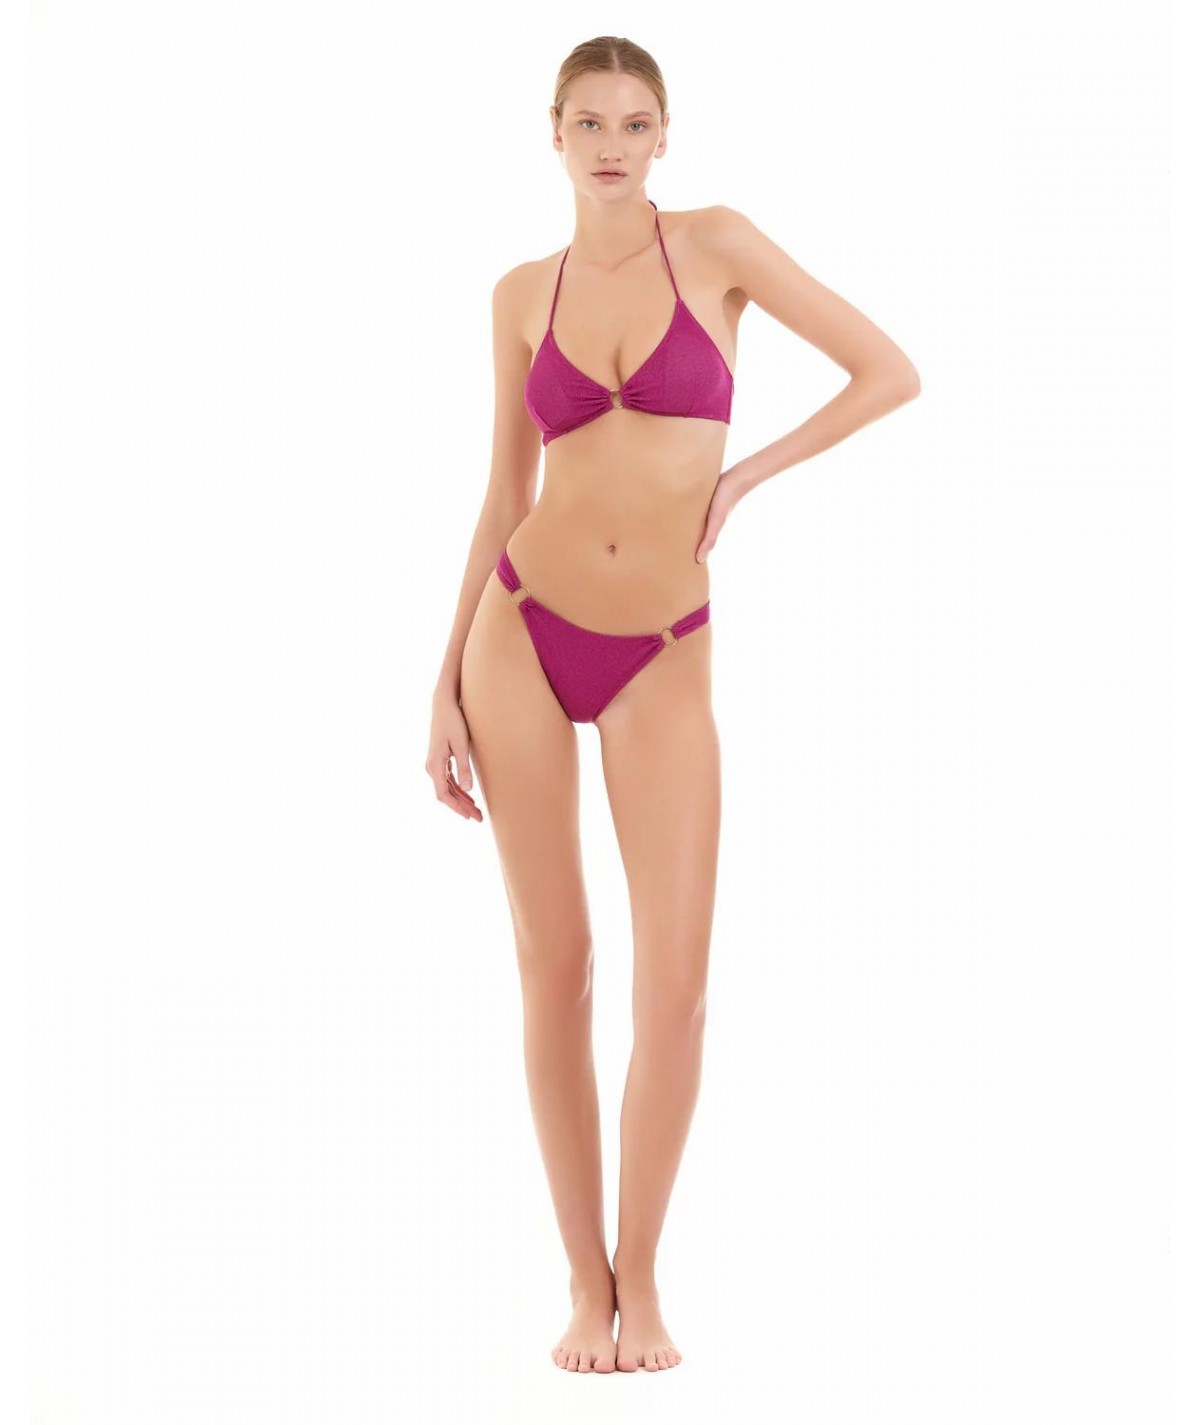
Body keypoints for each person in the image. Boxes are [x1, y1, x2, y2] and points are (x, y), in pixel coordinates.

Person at [426, 35, 920, 1375]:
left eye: (633, 122)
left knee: (678, 988)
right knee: (556, 966)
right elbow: (502, 491)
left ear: (663, 136)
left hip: (663, 646)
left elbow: (889, 371)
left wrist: (745, 476)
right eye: (587, 122)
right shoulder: (518, 293)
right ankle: (580, 1285)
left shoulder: (717, 245)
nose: (610, 144)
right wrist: (442, 680)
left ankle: (641, 1276)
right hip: (520, 631)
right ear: (553, 134)